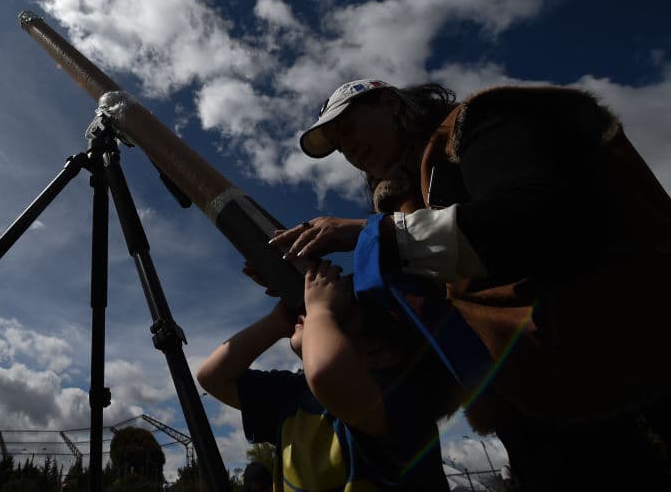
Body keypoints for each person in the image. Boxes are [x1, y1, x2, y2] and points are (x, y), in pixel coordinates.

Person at [272, 78, 671, 489]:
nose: (348, 150)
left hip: (634, 357)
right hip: (536, 400)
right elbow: (420, 307)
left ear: (390, 103)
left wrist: (370, 234)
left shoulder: (479, 122)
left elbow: (542, 218)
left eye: (349, 128)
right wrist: (308, 285)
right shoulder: (409, 201)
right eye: (339, 146)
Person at [197, 258, 451, 491]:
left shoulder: (403, 404)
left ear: (380, 353)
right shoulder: (292, 394)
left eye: (338, 314)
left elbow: (326, 373)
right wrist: (278, 321)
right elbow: (213, 377)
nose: (310, 312)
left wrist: (320, 309)